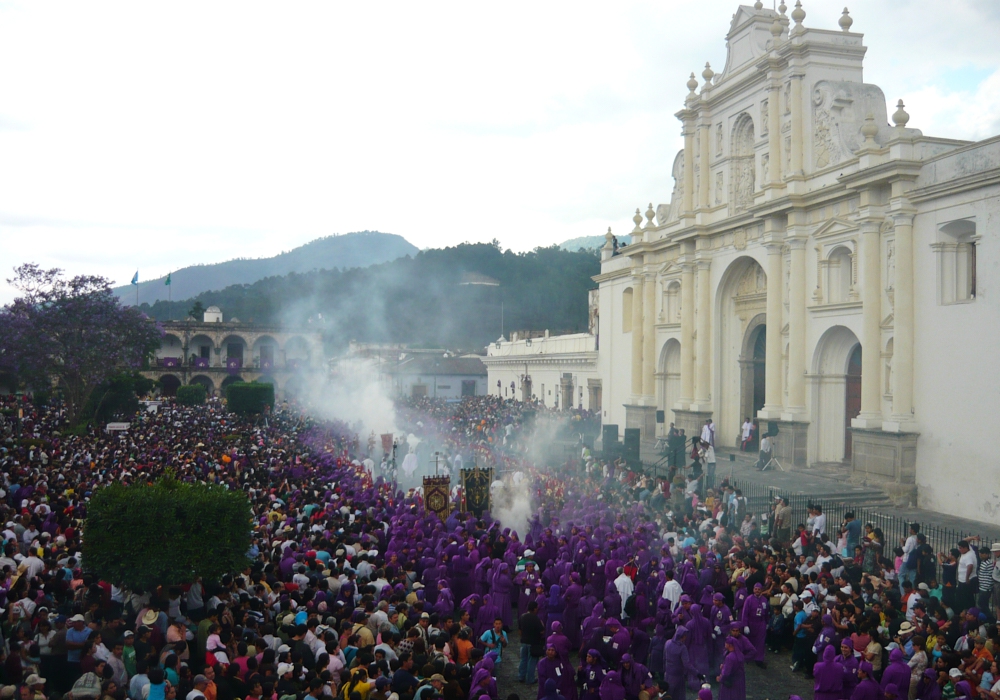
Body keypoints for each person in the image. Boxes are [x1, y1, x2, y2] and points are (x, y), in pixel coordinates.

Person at [519, 602, 544, 685]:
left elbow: (520, 630)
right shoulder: (536, 619)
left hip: (524, 642)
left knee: (523, 660)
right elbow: (542, 631)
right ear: (534, 609)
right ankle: (530, 679)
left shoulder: (522, 617)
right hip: (533, 643)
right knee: (532, 662)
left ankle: (521, 676)